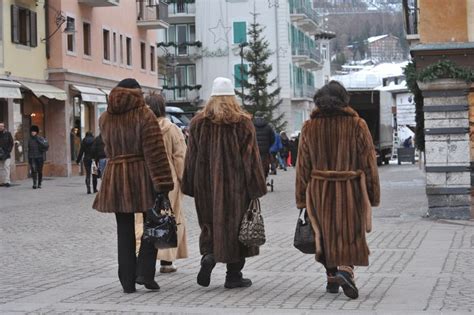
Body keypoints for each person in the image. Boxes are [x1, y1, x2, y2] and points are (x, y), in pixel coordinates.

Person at [295, 81, 380, 300]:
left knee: (324, 232)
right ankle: (346, 269)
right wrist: (372, 193)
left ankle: (332, 275)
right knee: (349, 231)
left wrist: (301, 198)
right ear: (344, 100)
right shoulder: (357, 125)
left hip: (319, 188)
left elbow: (302, 165)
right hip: (350, 187)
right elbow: (369, 161)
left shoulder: (309, 127)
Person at [182, 77, 267, 289]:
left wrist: (190, 185)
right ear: (232, 97)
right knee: (237, 228)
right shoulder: (242, 122)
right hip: (235, 187)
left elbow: (190, 157)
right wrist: (256, 186)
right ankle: (234, 275)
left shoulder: (198, 123)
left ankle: (209, 256)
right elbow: (251, 158)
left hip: (205, 186)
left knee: (209, 224)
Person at [92, 78, 174, 293]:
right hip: (141, 176)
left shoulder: (105, 118)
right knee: (153, 225)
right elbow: (155, 152)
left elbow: (108, 149)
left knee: (124, 230)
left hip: (116, 176)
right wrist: (163, 182)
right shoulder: (144, 115)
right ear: (138, 93)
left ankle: (127, 281)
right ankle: (145, 273)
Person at [135, 93, 188, 274]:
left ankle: (140, 255)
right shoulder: (172, 129)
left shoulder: (140, 128)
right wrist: (183, 180)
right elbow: (179, 157)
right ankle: (166, 261)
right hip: (168, 180)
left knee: (143, 219)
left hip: (145, 178)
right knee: (169, 218)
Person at [252, 111, 275, 179]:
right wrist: (268, 145)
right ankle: (264, 177)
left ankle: (256, 179)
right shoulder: (268, 127)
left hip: (254, 149)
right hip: (265, 149)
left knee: (255, 164)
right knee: (265, 164)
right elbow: (272, 138)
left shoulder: (251, 126)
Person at [0, 122, 14, 187]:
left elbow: (11, 143)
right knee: (1, 168)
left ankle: (7, 181)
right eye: (0, 126)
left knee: (6, 167)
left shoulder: (8, 133)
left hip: (7, 154)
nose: (0, 127)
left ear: (4, 127)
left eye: (2, 126)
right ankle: (2, 182)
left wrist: (8, 151)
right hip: (0, 154)